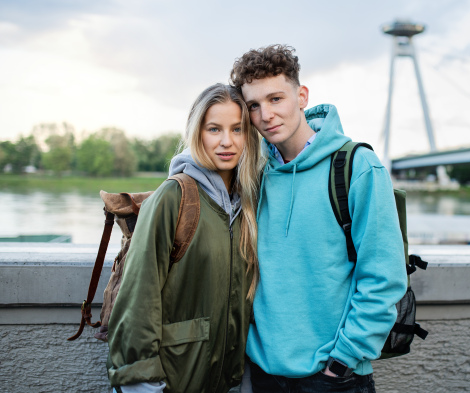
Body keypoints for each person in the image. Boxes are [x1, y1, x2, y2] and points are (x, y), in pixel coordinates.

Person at [229, 44, 408, 393]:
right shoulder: (255, 173)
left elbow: (383, 278)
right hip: (262, 374)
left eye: (276, 98)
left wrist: (342, 360)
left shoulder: (357, 168)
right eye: (254, 105)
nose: (266, 115)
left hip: (333, 378)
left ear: (301, 96)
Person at [106, 83, 263, 393]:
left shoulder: (248, 205)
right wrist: (143, 383)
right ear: (197, 132)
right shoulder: (173, 197)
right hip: (170, 382)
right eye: (214, 129)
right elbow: (139, 294)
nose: (226, 142)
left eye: (237, 129)